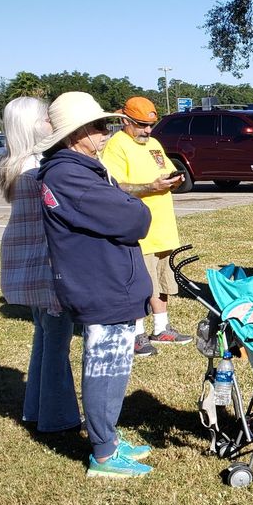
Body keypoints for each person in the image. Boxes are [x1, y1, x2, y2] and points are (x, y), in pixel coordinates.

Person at [34, 92, 155, 478]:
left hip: (107, 282)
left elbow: (122, 210)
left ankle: (109, 439)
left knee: (116, 363)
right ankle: (103, 454)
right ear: (77, 133)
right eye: (100, 126)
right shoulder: (68, 174)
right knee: (106, 366)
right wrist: (132, 203)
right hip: (100, 285)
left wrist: (125, 200)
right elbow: (134, 219)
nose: (107, 133)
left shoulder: (80, 169)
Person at [0, 97, 80, 434]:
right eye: (46, 117)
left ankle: (37, 409)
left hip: (29, 265)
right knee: (56, 346)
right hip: (48, 267)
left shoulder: (14, 164)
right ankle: (58, 418)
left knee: (45, 340)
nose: (51, 122)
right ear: (34, 124)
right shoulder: (38, 167)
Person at [100, 96, 190, 356]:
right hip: (138, 231)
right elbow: (114, 186)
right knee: (139, 284)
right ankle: (136, 334)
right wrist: (150, 187)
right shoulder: (117, 145)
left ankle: (162, 329)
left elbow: (166, 171)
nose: (147, 131)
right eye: (141, 125)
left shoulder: (153, 143)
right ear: (125, 121)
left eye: (151, 125)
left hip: (163, 230)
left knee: (162, 282)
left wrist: (173, 180)